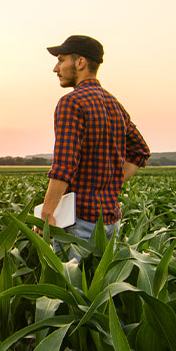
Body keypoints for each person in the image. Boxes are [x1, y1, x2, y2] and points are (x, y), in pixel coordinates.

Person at [38, 35, 150, 259]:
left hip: (78, 224)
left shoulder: (71, 102)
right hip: (111, 221)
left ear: (80, 63)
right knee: (103, 289)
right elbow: (140, 151)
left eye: (61, 60)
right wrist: (111, 182)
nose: (55, 68)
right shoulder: (114, 104)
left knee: (72, 290)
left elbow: (64, 165)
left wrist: (47, 212)